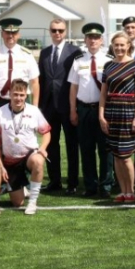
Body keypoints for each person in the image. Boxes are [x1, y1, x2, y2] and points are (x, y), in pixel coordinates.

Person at [0, 79, 51, 215]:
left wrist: (42, 148)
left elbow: (46, 132)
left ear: (26, 95)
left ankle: (32, 201)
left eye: (21, 95)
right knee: (17, 203)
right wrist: (1, 166)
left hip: (29, 156)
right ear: (9, 94)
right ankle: (22, 188)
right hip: (10, 160)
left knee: (38, 161)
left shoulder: (33, 111)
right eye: (15, 94)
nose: (18, 98)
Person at [101, 32, 135, 202]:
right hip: (112, 114)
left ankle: (131, 191)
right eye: (116, 45)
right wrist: (101, 116)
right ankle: (122, 191)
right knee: (116, 156)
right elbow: (103, 94)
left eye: (122, 45)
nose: (119, 48)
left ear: (128, 45)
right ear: (112, 46)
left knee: (126, 157)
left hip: (128, 114)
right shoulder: (107, 66)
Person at [38, 19, 81, 194]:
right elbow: (42, 80)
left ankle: (72, 183)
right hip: (48, 106)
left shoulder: (75, 52)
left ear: (65, 31)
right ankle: (54, 181)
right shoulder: (45, 52)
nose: (58, 33)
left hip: (67, 105)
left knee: (71, 145)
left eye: (61, 30)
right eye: (54, 30)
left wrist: (74, 107)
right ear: (50, 31)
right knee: (51, 145)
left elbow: (76, 81)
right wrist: (40, 106)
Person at [67, 22, 110, 197]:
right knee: (86, 149)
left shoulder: (109, 60)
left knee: (105, 150)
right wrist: (73, 110)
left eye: (96, 38)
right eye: (90, 38)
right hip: (84, 109)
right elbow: (73, 88)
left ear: (101, 40)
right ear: (85, 40)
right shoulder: (78, 61)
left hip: (103, 111)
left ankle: (106, 186)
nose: (93, 41)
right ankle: (91, 186)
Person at [0, 18, 39, 110]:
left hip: (22, 101)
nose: (10, 36)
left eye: (14, 33)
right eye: (7, 33)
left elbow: (35, 82)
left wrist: (35, 106)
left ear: (19, 35)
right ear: (2, 34)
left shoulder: (27, 55)